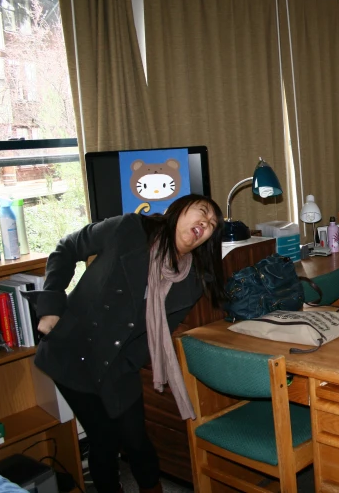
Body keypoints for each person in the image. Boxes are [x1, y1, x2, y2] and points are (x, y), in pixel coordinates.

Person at [26, 194, 226, 493]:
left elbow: (159, 332)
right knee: (103, 438)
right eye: (202, 212)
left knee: (136, 438)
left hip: (119, 363)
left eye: (211, 224)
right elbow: (67, 248)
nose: (205, 223)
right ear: (176, 210)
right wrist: (51, 306)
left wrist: (131, 362)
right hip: (73, 351)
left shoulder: (192, 279)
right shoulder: (128, 229)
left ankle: (151, 487)